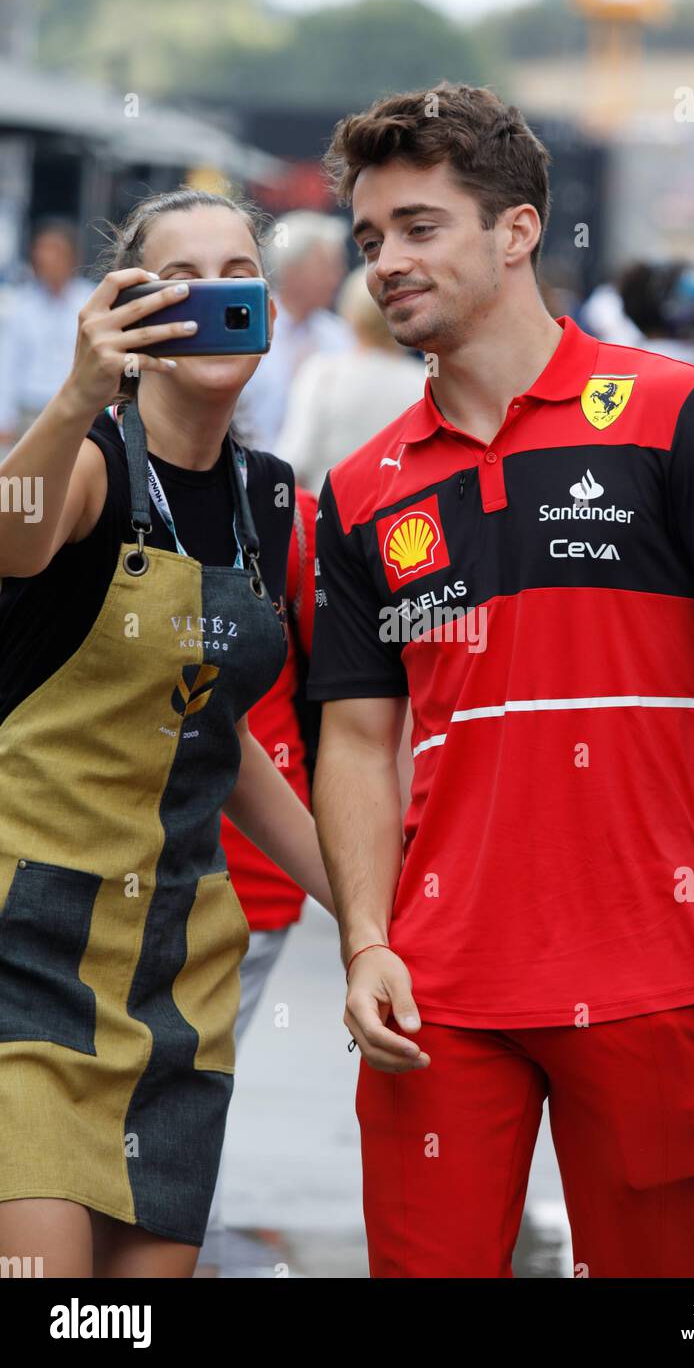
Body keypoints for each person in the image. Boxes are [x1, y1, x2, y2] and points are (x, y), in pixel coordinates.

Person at [306, 82, 694, 1279]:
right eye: (371, 238)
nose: (387, 260)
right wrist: (366, 942)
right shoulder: (359, 489)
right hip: (432, 997)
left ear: (516, 230)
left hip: (648, 972)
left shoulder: (667, 413)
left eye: (419, 226)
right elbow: (352, 737)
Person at [0, 187, 333, 1279]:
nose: (212, 295)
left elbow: (222, 742)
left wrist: (379, 916)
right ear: (127, 313)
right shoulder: (84, 460)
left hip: (175, 983)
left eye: (236, 270)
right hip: (28, 952)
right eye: (175, 278)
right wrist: (77, 391)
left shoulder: (275, 504)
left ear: (268, 309)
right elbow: (12, 544)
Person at [203, 482, 320, 1261]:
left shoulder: (290, 514)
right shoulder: (72, 490)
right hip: (81, 871)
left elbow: (363, 701)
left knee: (182, 1093)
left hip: (250, 872)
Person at [277, 265, 425, 496]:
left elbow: (295, 458)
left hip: (329, 517)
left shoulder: (322, 374)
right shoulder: (423, 382)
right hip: (399, 522)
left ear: (351, 313)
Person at [234, 212, 352, 448]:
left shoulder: (341, 336)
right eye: (328, 266)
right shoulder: (246, 328)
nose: (336, 277)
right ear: (292, 268)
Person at [0, 219, 93, 458]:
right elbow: (7, 363)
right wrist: (4, 417)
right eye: (42, 252)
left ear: (72, 257)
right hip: (29, 410)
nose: (47, 259)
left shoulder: (90, 299)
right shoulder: (20, 305)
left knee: (69, 481)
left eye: (55, 252)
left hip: (75, 410)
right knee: (27, 487)